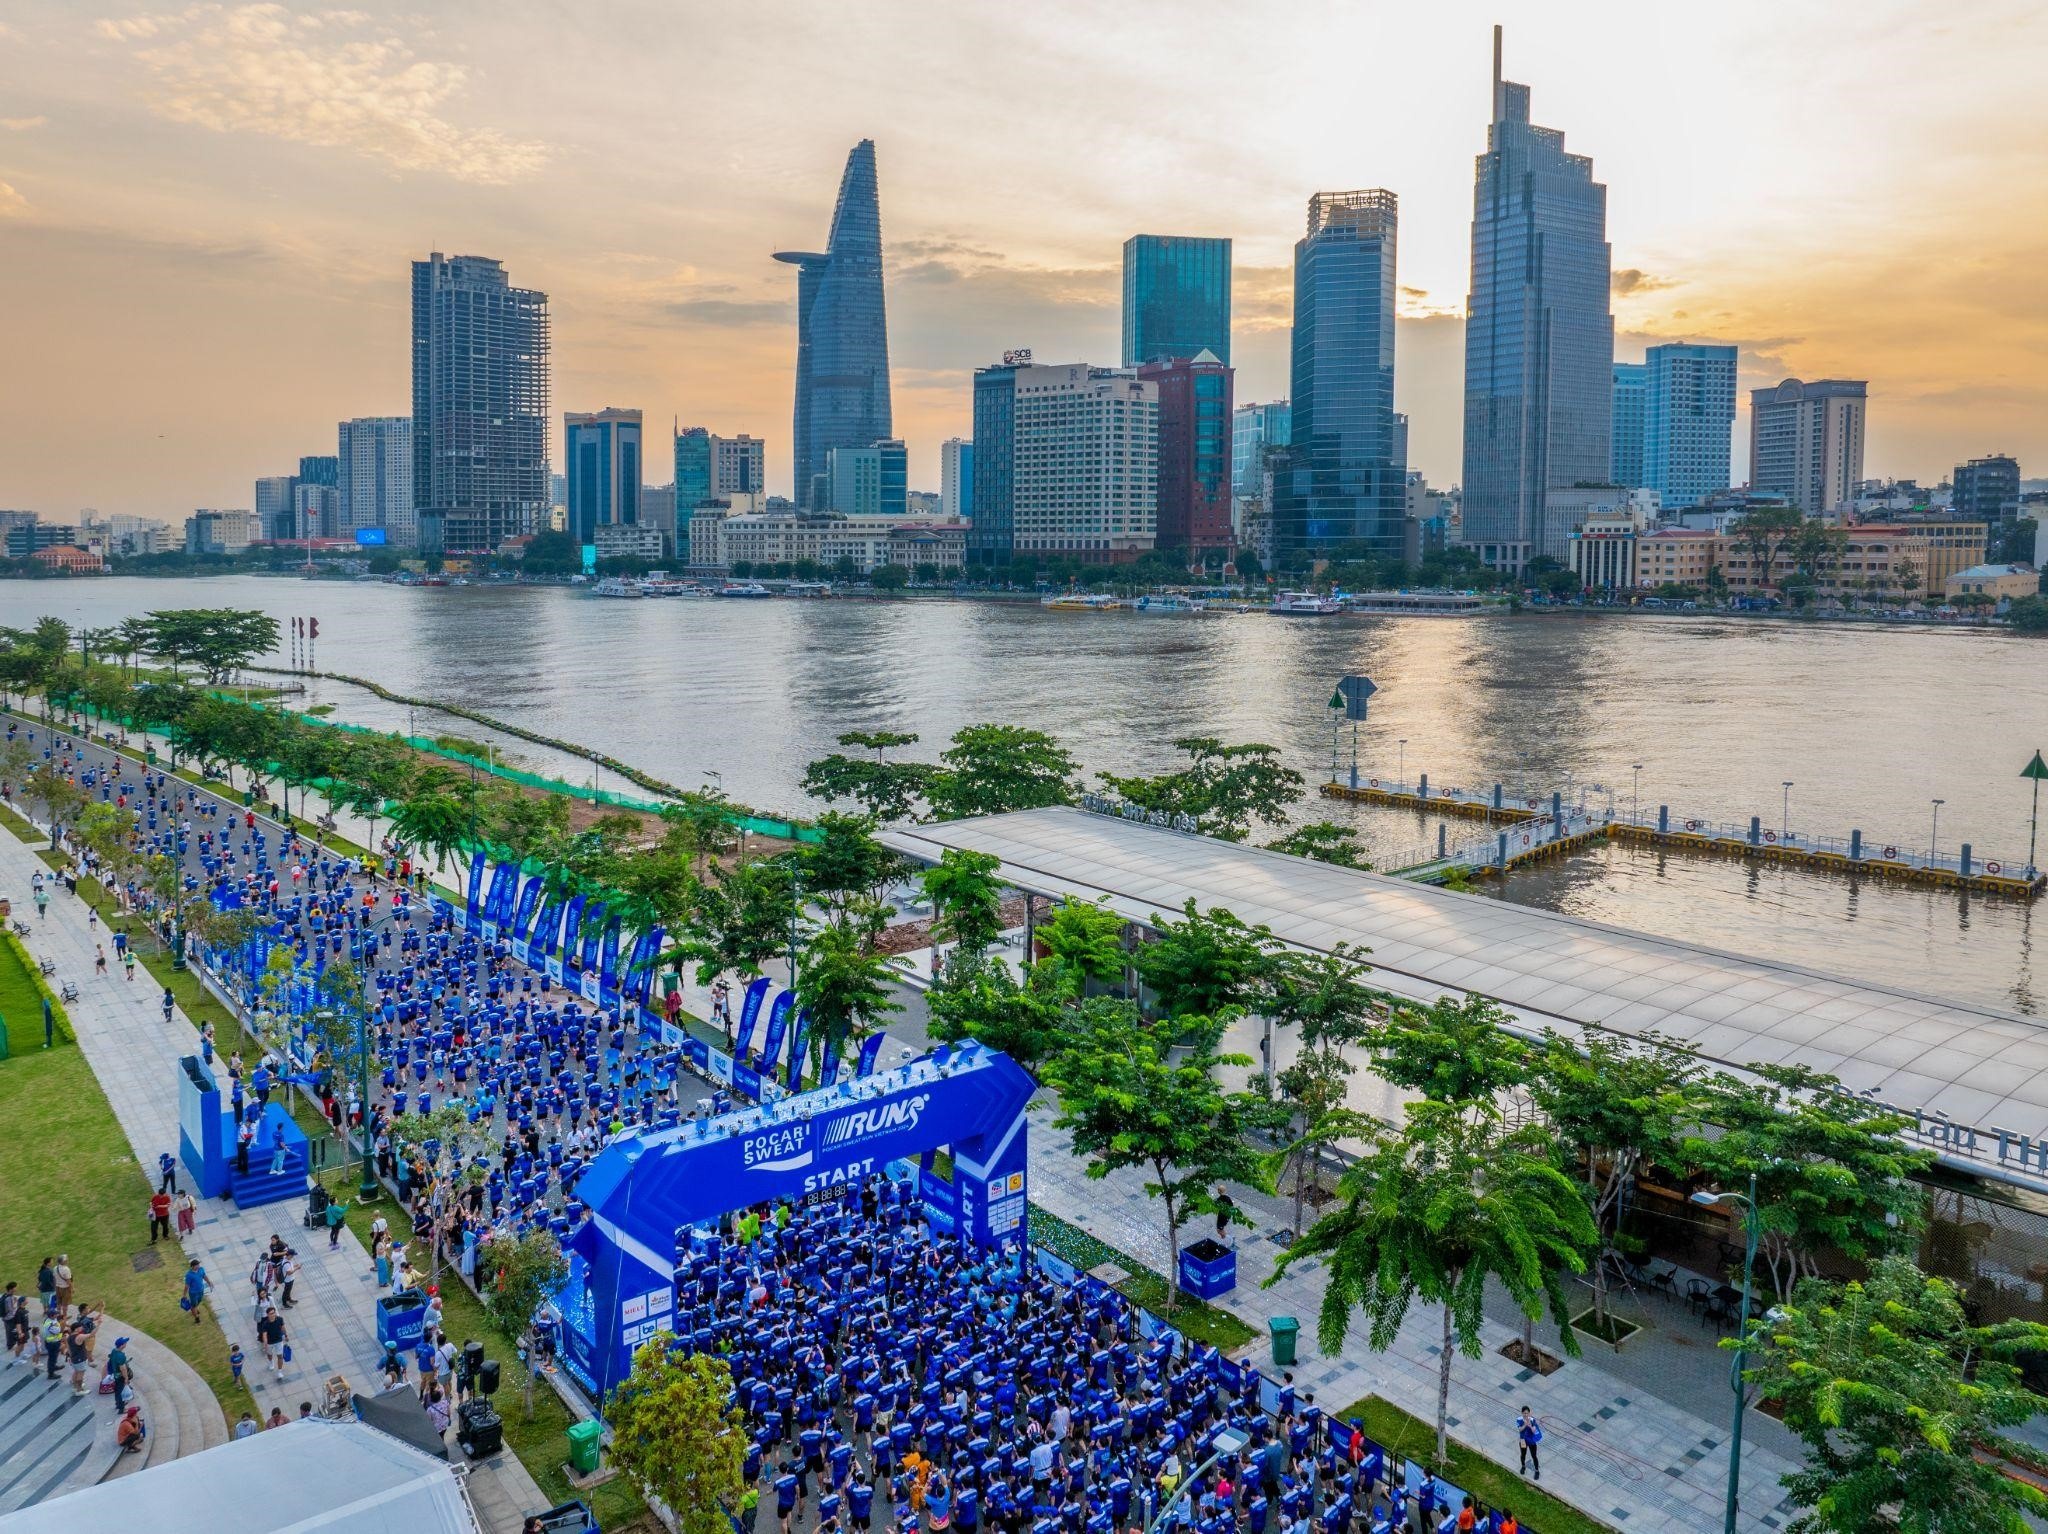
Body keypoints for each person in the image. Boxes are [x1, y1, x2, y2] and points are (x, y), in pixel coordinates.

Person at [1516, 1407, 1542, 1481]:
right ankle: (1523, 1466)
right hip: (1523, 1440)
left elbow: (1534, 1431)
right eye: (1524, 1413)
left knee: (1534, 1456)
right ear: (1522, 1413)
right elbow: (1520, 1429)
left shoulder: (1532, 1420)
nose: (1526, 1414)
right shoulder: (1519, 1419)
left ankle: (1537, 1471)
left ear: (1529, 1413)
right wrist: (1525, 1424)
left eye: (1527, 1413)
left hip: (1531, 1441)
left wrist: (1530, 1426)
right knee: (1523, 1454)